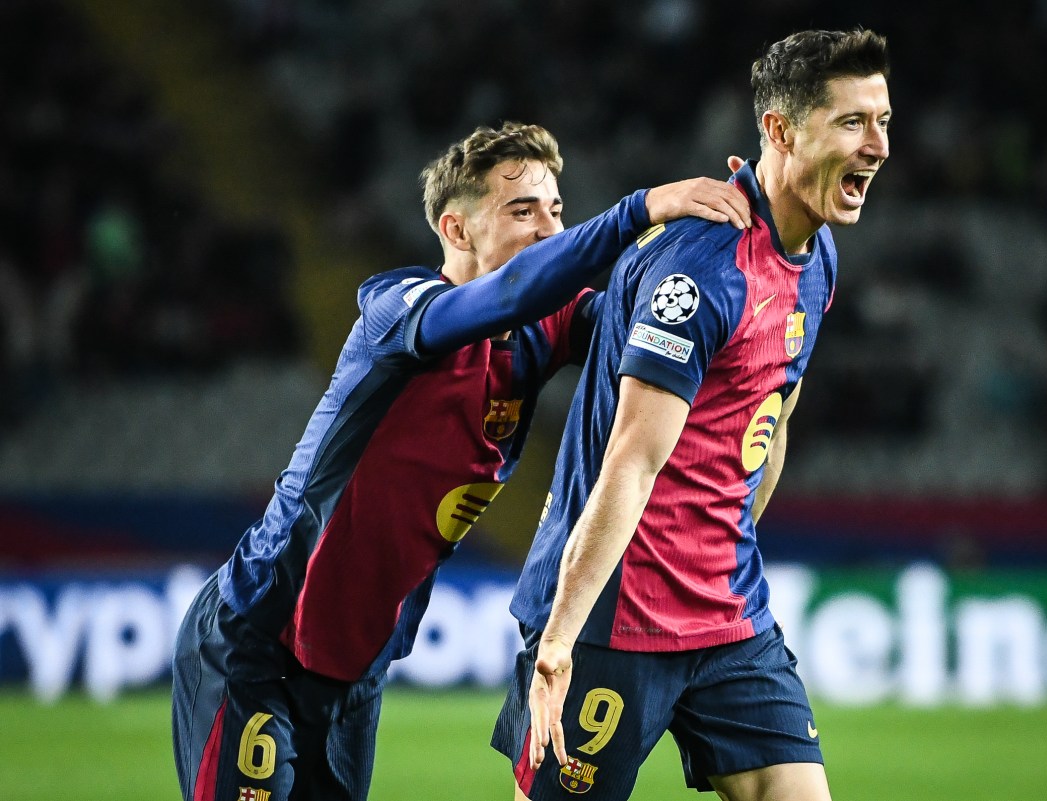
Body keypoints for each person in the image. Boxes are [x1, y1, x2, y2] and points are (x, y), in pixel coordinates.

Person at [170, 121, 752, 801]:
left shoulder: (546, 330)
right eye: (522, 210)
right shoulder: (398, 312)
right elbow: (509, 295)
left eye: (556, 210)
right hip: (258, 640)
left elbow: (646, 315)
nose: (549, 228)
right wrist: (640, 208)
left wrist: (740, 221)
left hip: (353, 670)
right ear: (456, 229)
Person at [491, 29, 892, 801]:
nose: (877, 145)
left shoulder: (818, 257)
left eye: (883, 121)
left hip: (729, 618)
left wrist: (725, 554)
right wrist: (560, 640)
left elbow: (769, 424)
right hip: (614, 619)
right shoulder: (702, 270)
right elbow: (631, 460)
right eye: (852, 122)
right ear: (779, 131)